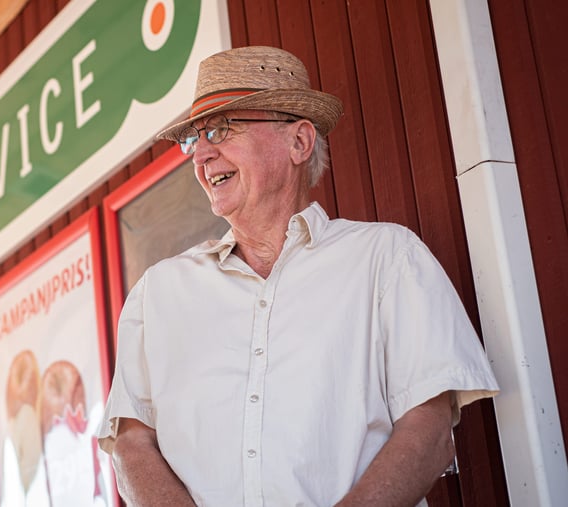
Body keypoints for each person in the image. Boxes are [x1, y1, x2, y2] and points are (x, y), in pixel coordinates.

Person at [96, 46, 500, 507]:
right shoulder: (158, 293)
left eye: (221, 129)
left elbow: (429, 434)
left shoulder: (387, 257)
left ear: (299, 142)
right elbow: (130, 446)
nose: (200, 155)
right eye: (194, 138)